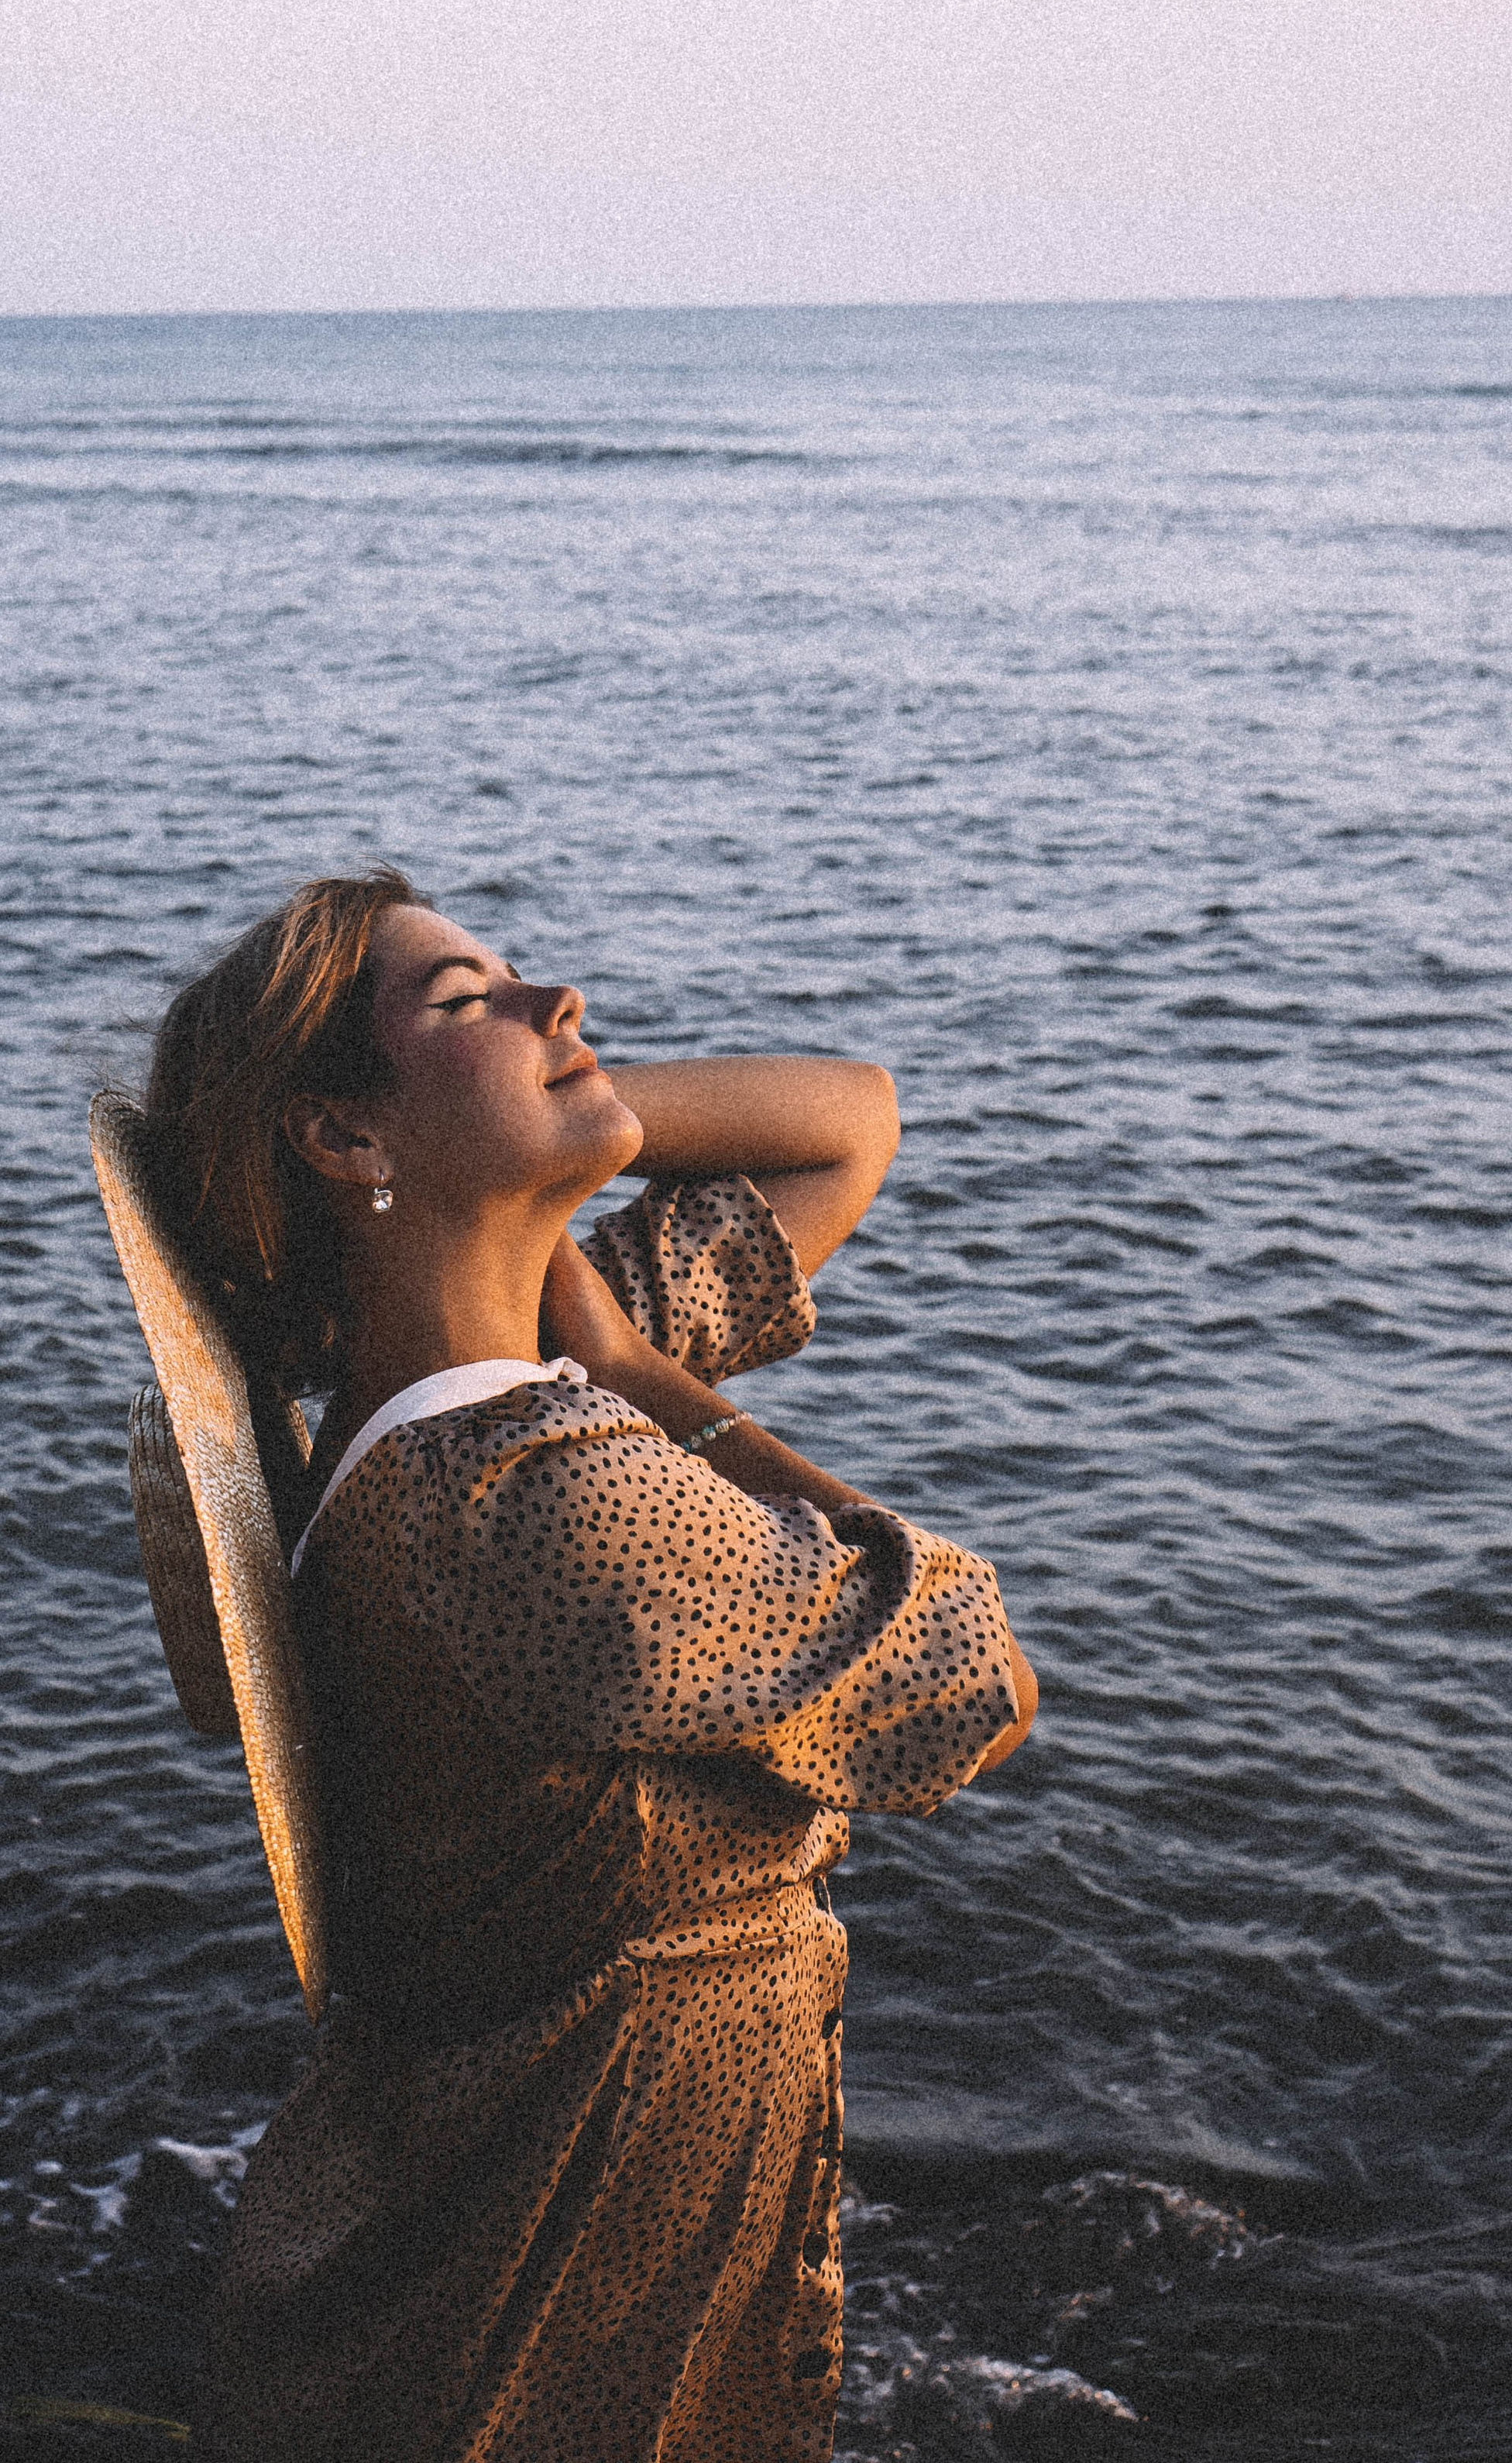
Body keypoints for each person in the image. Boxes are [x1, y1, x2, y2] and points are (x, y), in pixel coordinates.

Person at [139, 868, 1036, 2463]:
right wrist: (651, 1382)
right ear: (342, 1138)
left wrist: (557, 1115)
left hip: (520, 2206)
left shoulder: (462, 1374)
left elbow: (849, 1120)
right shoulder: (541, 1496)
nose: (560, 1002)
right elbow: (974, 1682)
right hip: (559, 2294)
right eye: (463, 1001)